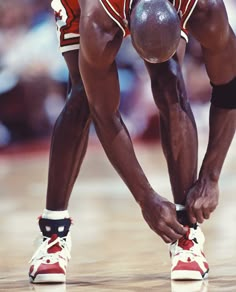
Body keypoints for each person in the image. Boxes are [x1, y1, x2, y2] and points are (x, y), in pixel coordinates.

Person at [29, 0, 236, 284]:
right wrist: (146, 198)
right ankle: (54, 232)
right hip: (92, 7)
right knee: (82, 97)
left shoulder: (204, 7)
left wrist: (211, 177)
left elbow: (230, 86)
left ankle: (186, 231)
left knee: (169, 82)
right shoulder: (97, 20)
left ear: (180, 20)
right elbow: (105, 114)